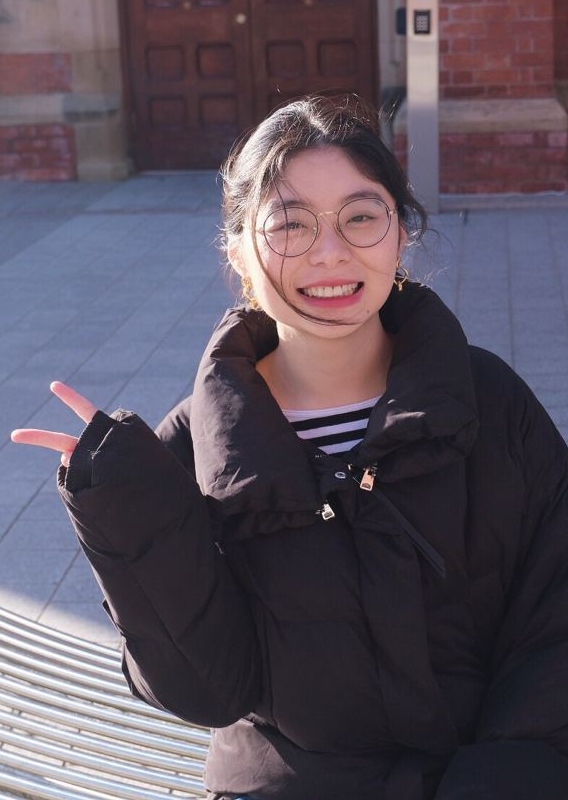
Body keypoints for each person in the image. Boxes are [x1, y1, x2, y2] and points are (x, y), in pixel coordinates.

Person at [11, 94, 568, 800]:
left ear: (402, 234)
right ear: (238, 249)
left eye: (361, 217)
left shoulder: (486, 401)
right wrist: (129, 522)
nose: (330, 253)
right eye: (289, 224)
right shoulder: (195, 445)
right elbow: (207, 691)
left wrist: (505, 774)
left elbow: (555, 615)